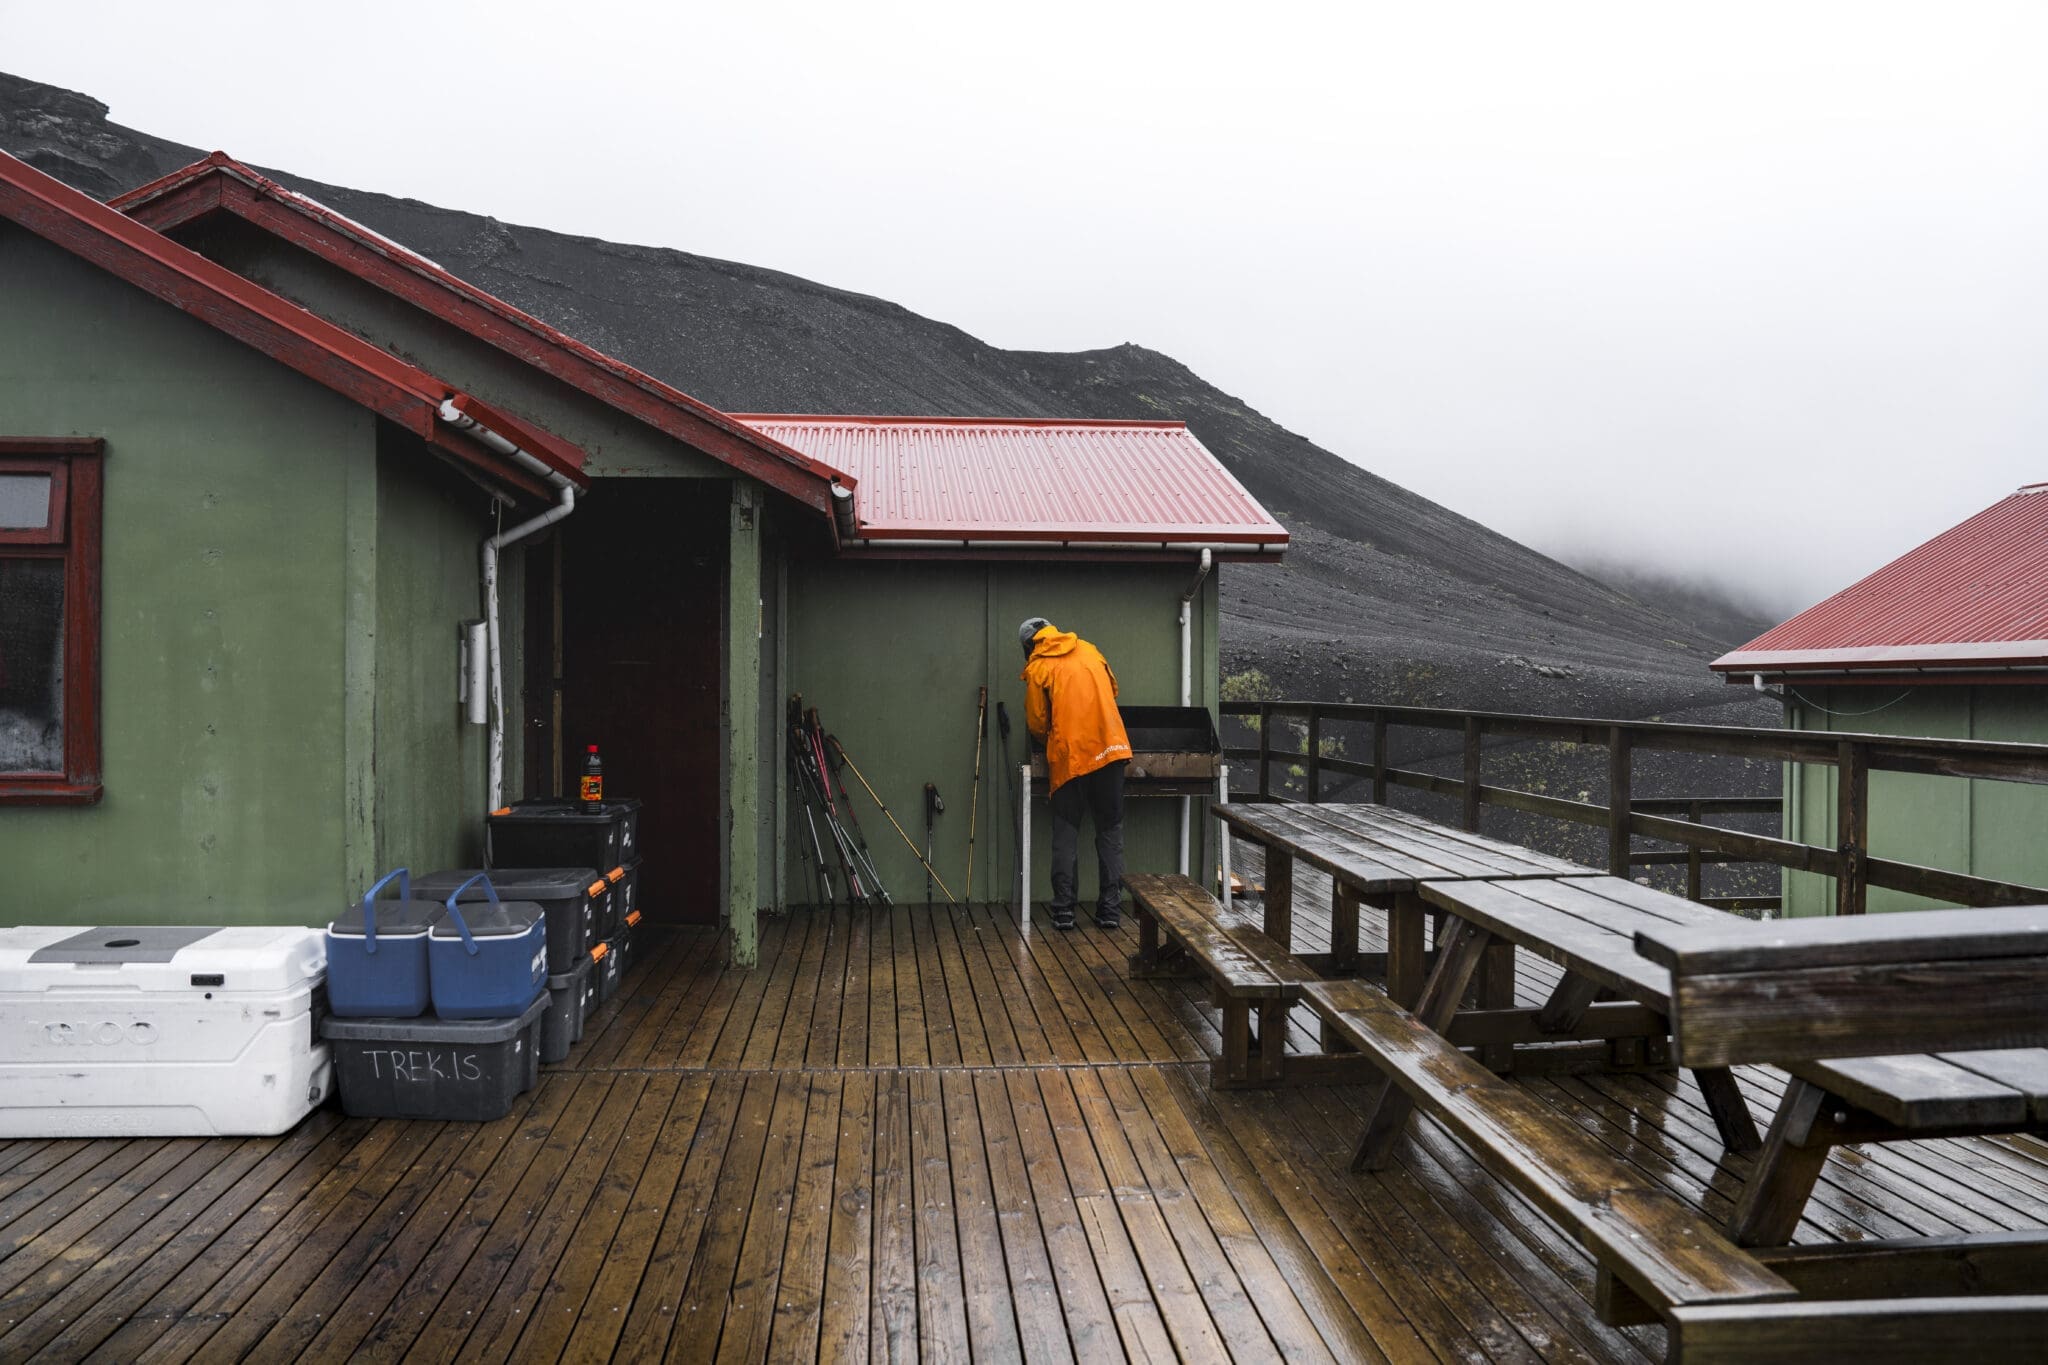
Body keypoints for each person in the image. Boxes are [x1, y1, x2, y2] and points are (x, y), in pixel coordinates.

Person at [1019, 617, 1132, 930]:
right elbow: (1112, 690)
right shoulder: (1090, 650)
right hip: (1111, 750)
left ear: (1029, 645)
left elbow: (1037, 722)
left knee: (1066, 831)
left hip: (1071, 758)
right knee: (1110, 831)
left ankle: (1064, 912)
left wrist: (1054, 737)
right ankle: (1110, 911)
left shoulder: (1039, 667)